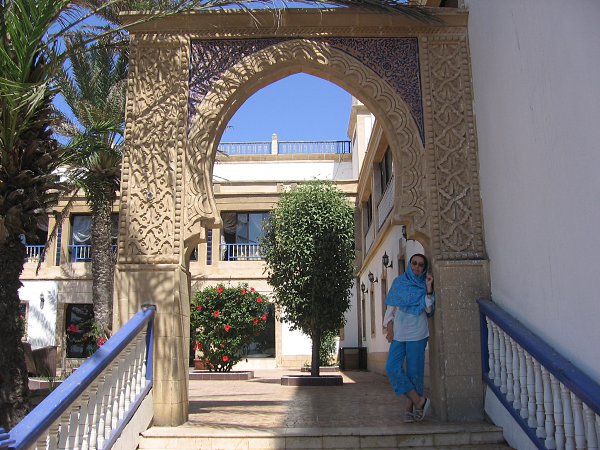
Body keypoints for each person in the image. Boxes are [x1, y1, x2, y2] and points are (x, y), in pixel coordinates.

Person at [383, 253, 434, 423]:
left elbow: (428, 310)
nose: (417, 267)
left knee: (415, 373)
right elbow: (390, 307)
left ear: (424, 268)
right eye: (414, 263)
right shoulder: (399, 282)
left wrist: (428, 289)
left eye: (420, 265)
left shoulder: (425, 284)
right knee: (392, 367)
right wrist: (388, 325)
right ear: (409, 265)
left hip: (418, 333)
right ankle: (419, 401)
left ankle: (410, 409)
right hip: (400, 332)